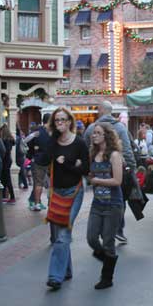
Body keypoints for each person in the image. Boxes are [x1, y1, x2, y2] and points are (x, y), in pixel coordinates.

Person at [46, 108, 89, 291]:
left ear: (70, 122)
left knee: (63, 235)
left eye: (63, 120)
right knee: (58, 235)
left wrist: (68, 164)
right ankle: (67, 270)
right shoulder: (53, 143)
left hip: (74, 192)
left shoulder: (79, 143)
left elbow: (85, 169)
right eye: (57, 120)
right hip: (57, 193)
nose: (60, 123)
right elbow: (43, 160)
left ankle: (55, 276)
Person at [84, 101, 137, 243]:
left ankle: (108, 228)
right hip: (121, 169)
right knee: (119, 198)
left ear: (100, 110)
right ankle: (117, 228)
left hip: (99, 171)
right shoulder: (120, 127)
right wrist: (131, 167)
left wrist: (88, 171)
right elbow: (127, 148)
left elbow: (84, 149)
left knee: (104, 197)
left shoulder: (91, 128)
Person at [86, 122, 124, 289]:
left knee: (108, 242)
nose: (94, 135)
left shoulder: (114, 155)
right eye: (93, 133)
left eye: (98, 133)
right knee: (92, 238)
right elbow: (90, 175)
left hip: (113, 204)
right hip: (97, 203)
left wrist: (97, 180)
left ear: (106, 135)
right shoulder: (93, 154)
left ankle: (106, 277)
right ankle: (109, 260)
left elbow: (117, 180)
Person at [25, 113, 52, 211]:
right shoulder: (51, 133)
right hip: (49, 161)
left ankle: (36, 202)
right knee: (47, 183)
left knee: (38, 182)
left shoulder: (37, 132)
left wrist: (31, 154)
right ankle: (40, 202)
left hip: (38, 160)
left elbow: (27, 141)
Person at [0, 124, 16, 203]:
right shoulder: (10, 140)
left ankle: (12, 197)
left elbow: (5, 151)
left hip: (5, 161)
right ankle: (4, 196)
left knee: (7, 179)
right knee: (4, 178)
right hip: (8, 160)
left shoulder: (5, 141)